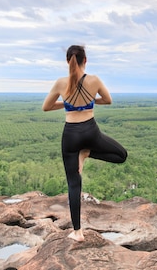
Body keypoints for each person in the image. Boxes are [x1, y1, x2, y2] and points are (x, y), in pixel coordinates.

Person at [42, 45, 127, 242]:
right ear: (85, 60)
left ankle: (77, 232)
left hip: (71, 135)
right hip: (91, 131)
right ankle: (88, 152)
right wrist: (90, 101)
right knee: (121, 155)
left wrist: (68, 102)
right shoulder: (94, 80)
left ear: (67, 61)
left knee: (74, 184)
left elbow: (46, 107)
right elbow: (108, 100)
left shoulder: (60, 83)